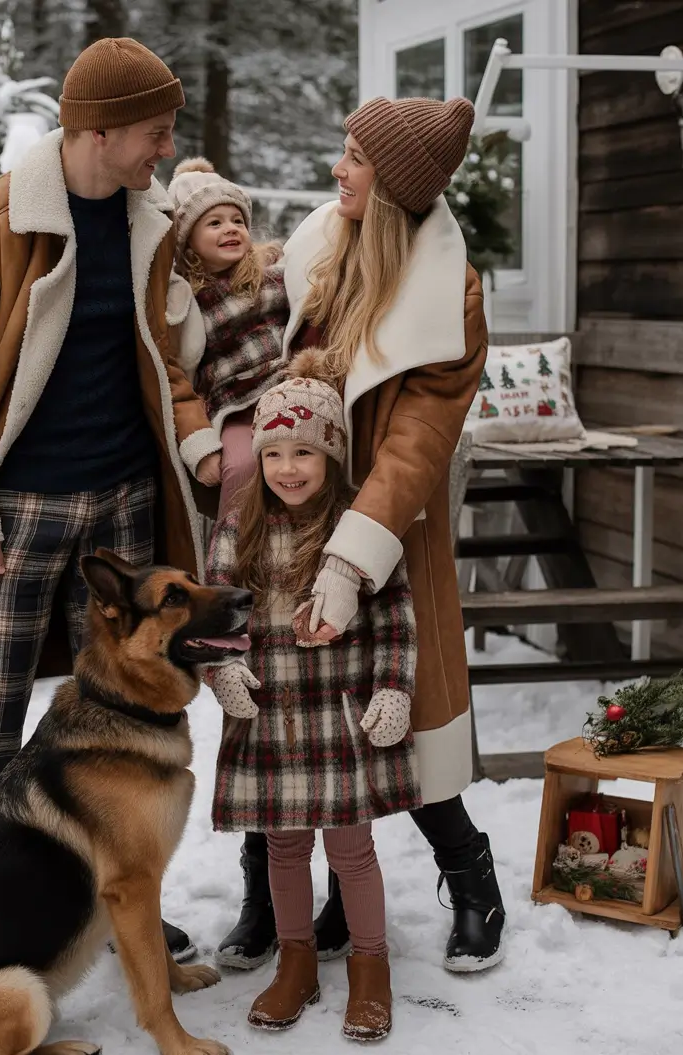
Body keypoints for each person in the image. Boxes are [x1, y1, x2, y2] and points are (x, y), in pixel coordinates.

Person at [0, 38, 224, 962]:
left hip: (125, 501)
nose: (165, 150)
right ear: (99, 129)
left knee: (124, 713)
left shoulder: (150, 220)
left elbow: (169, 349)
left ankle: (111, 894)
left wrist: (203, 442)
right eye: (155, 133)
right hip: (19, 512)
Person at [217, 95, 506, 974]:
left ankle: (471, 875)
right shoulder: (317, 251)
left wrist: (350, 559)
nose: (337, 170)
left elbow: (418, 441)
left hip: (381, 526)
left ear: (396, 183)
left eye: (355, 158)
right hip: (282, 511)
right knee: (279, 717)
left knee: (398, 724)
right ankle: (273, 896)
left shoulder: (447, 291)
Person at [205, 359, 417, 1040]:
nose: (288, 467)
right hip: (273, 717)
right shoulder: (238, 525)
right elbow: (216, 616)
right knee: (284, 849)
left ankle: (370, 966)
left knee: (351, 852)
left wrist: (393, 688)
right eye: (274, 452)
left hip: (340, 715)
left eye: (304, 451)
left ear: (331, 453)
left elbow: (396, 621)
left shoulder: (359, 529)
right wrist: (224, 672)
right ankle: (295, 960)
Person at [167, 158, 288, 518]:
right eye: (215, 223)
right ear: (188, 240)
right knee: (239, 467)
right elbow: (179, 364)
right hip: (232, 401)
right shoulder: (183, 297)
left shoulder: (273, 273)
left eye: (237, 221)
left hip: (283, 386)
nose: (230, 229)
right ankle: (229, 559)